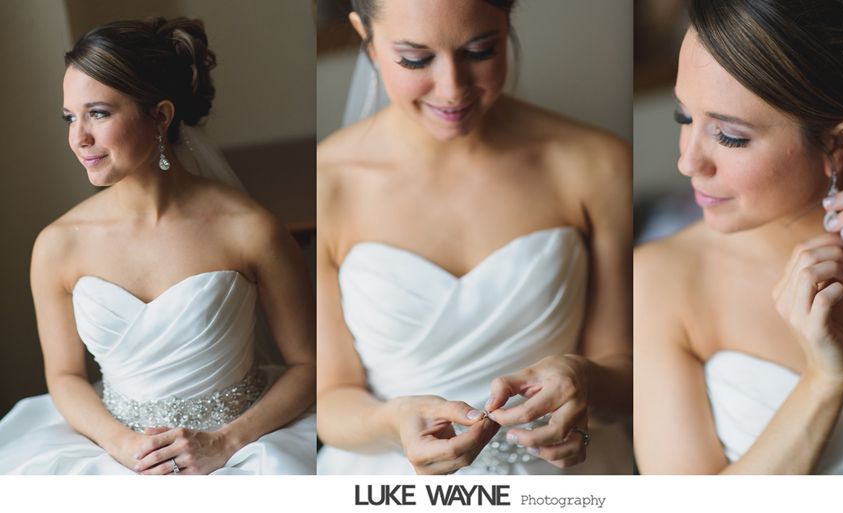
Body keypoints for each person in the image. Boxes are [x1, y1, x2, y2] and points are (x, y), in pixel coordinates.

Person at [634, 0, 843, 474]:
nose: (688, 162)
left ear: (838, 142)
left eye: (728, 136)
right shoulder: (658, 280)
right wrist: (825, 380)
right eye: (685, 118)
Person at [316, 0, 632, 474]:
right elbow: (331, 397)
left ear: (507, 26)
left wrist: (584, 379)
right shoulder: (328, 183)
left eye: (480, 50)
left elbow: (623, 368)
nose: (452, 89)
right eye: (416, 59)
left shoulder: (597, 164)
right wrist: (392, 421)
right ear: (367, 38)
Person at [0, 17, 316, 474]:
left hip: (242, 449)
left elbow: (307, 365)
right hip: (113, 452)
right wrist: (123, 444)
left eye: (99, 113)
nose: (78, 137)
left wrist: (224, 442)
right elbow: (64, 376)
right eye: (70, 116)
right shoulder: (58, 245)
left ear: (161, 116)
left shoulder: (250, 230)